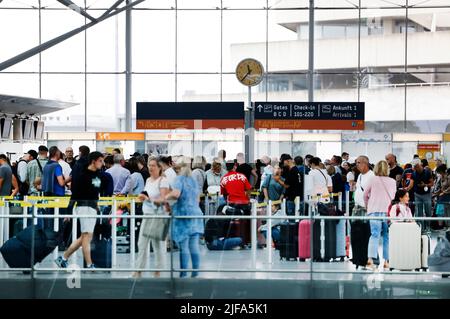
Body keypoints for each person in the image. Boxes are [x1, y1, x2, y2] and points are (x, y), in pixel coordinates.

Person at [55, 151, 105, 269]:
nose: (102, 163)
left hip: (92, 207)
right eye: (100, 161)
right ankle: (89, 264)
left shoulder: (98, 174)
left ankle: (63, 258)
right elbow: (74, 195)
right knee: (86, 236)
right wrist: (68, 212)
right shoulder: (82, 176)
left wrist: (96, 204)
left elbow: (95, 192)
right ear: (93, 161)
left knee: (85, 237)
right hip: (83, 207)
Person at [159, 156, 204, 278]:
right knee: (194, 245)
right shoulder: (193, 180)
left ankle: (183, 273)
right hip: (196, 214)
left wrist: (164, 198)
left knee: (184, 246)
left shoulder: (179, 179)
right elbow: (198, 199)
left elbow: (176, 194)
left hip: (184, 215)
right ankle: (195, 272)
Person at [133, 157, 170, 278]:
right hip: (147, 214)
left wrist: (149, 199)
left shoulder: (163, 181)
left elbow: (164, 199)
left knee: (157, 244)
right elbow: (147, 193)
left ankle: (158, 270)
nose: (150, 167)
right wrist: (143, 196)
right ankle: (138, 270)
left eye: (153, 165)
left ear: (159, 168)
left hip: (158, 216)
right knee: (142, 243)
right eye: (149, 165)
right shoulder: (148, 180)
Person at [364, 160, 396, 271]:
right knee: (387, 236)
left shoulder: (372, 179)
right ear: (387, 169)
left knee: (374, 235)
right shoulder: (392, 181)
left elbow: (365, 194)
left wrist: (368, 205)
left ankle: (370, 261)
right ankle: (387, 262)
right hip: (387, 212)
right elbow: (392, 197)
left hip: (373, 211)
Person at [411, 159, 434, 231]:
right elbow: (411, 184)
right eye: (414, 167)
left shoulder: (427, 172)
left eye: (416, 166)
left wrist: (425, 185)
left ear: (420, 165)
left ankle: (428, 227)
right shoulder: (414, 173)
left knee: (428, 211)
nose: (415, 168)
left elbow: (432, 183)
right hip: (417, 194)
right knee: (419, 212)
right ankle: (420, 228)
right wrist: (406, 188)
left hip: (426, 194)